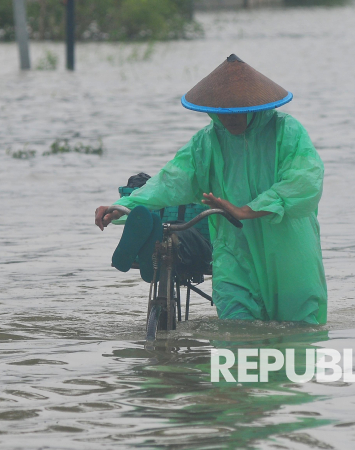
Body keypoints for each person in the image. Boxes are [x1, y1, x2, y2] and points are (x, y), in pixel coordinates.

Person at [94, 55, 327, 324]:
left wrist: (247, 210)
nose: (230, 119)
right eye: (223, 112)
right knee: (237, 333)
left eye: (238, 111)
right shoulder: (207, 142)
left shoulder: (287, 132)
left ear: (254, 107)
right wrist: (122, 208)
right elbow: (170, 181)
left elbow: (305, 181)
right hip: (234, 252)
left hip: (287, 252)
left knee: (297, 341)